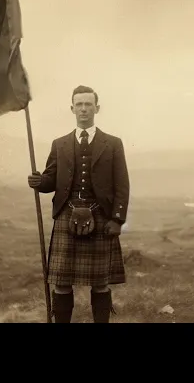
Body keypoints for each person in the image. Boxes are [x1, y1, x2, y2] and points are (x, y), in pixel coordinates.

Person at [28, 85, 130, 323]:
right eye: (79, 104)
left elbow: (122, 184)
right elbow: (51, 180)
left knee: (101, 283)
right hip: (67, 215)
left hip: (101, 216)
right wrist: (39, 181)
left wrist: (117, 219)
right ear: (72, 108)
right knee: (61, 282)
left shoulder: (113, 143)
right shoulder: (59, 144)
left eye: (88, 104)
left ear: (97, 108)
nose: (84, 109)